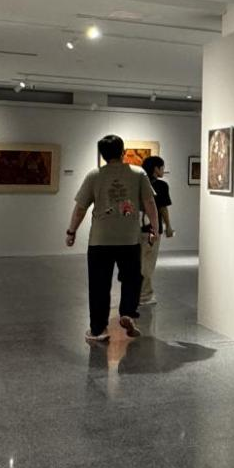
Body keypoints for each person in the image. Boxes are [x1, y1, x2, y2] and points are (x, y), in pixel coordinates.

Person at [67, 135, 160, 342]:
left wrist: (71, 231)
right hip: (129, 239)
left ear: (102, 155)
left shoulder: (94, 175)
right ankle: (127, 312)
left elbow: (81, 207)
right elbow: (150, 203)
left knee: (99, 285)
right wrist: (154, 229)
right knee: (132, 279)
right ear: (123, 152)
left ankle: (98, 330)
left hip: (100, 240)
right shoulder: (138, 173)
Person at [139, 156, 174, 306]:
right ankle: (144, 296)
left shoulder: (138, 182)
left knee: (137, 261)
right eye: (162, 167)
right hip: (152, 229)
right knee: (148, 263)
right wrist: (168, 227)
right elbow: (163, 208)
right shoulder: (161, 186)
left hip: (136, 229)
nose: (163, 170)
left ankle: (133, 293)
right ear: (156, 169)